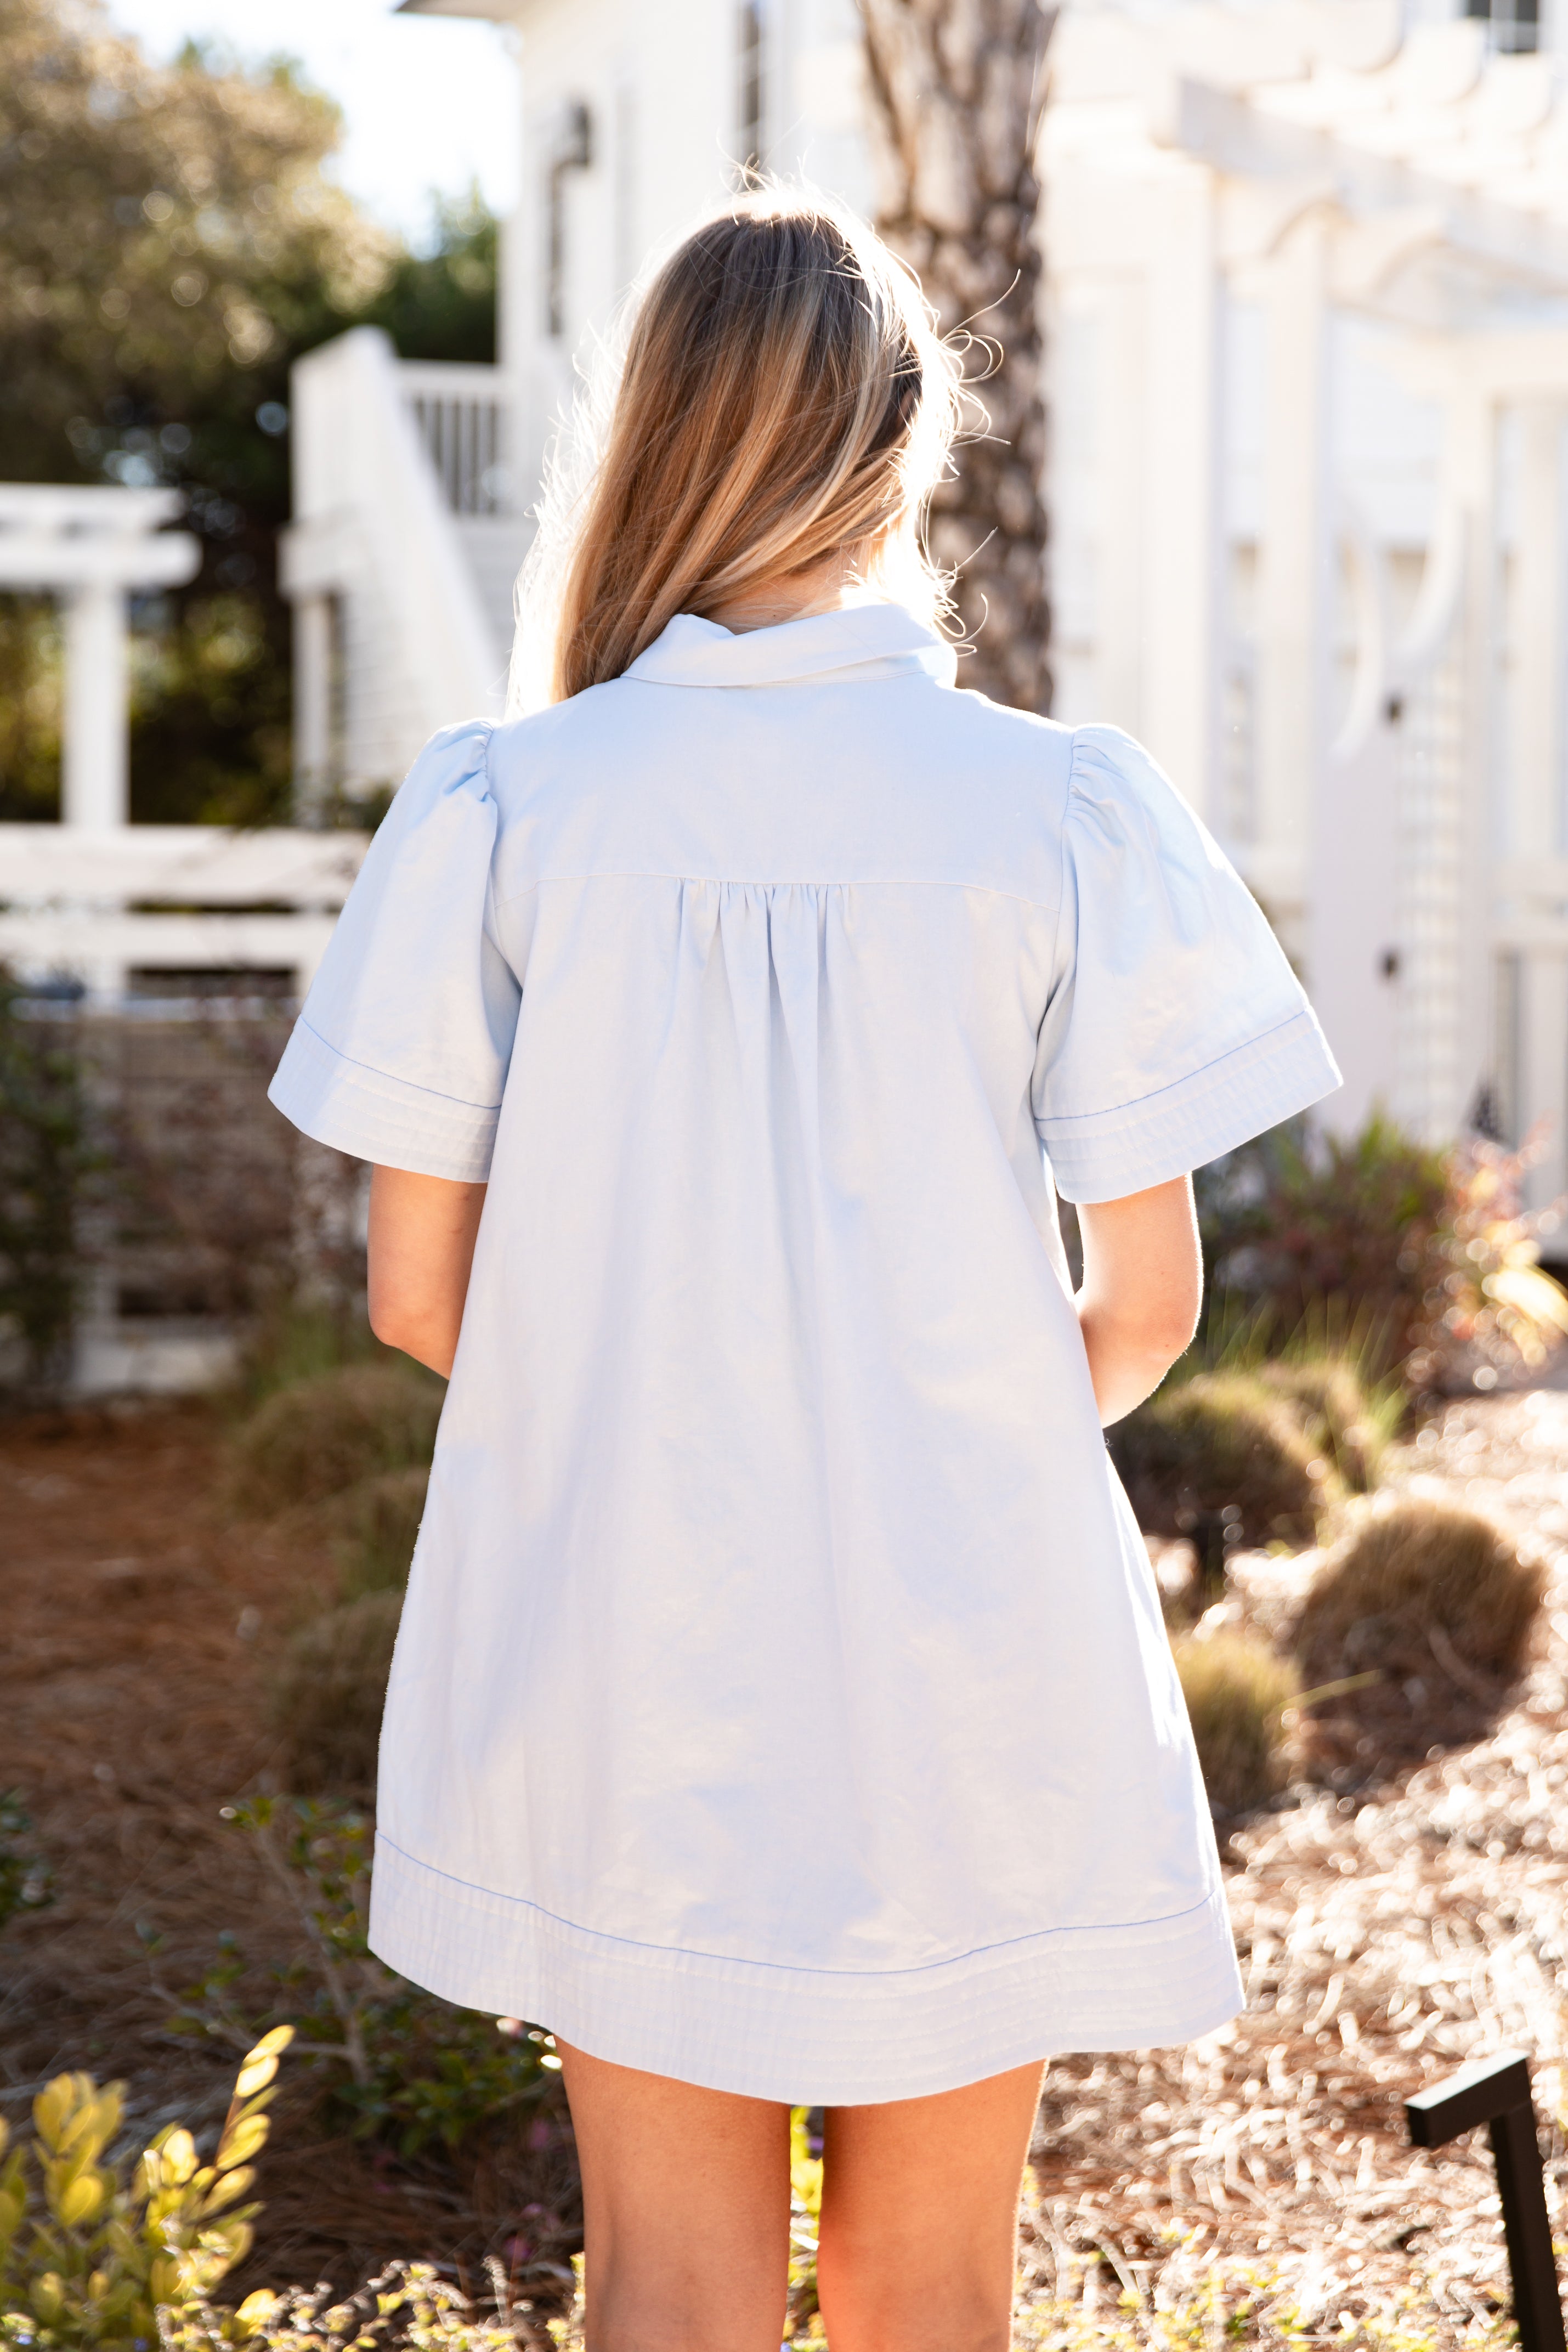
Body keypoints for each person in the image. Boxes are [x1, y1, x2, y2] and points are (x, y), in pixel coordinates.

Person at [269, 189, 1340, 2352]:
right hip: (977, 1647)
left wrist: (667, 1421)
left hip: (620, 1640)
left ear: (652, 436)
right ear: (901, 450)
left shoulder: (506, 803)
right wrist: (914, 1433)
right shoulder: (1059, 811)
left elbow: (412, 1290)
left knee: (669, 2287)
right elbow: (1141, 1309)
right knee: (928, 2292)